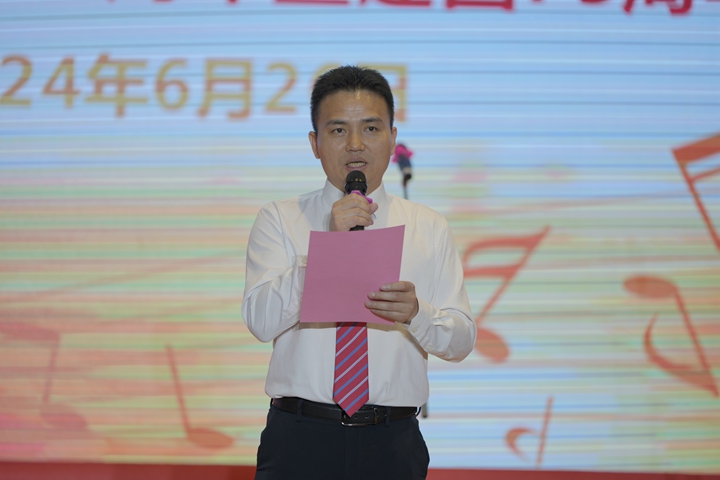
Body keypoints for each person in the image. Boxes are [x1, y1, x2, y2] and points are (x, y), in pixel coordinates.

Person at [242, 65, 476, 480]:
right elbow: (260, 322)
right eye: (338, 130)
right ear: (315, 143)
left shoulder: (428, 227)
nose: (355, 144)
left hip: (392, 441)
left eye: (370, 128)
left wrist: (416, 314)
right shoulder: (279, 219)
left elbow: (461, 340)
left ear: (392, 138)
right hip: (299, 437)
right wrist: (328, 250)